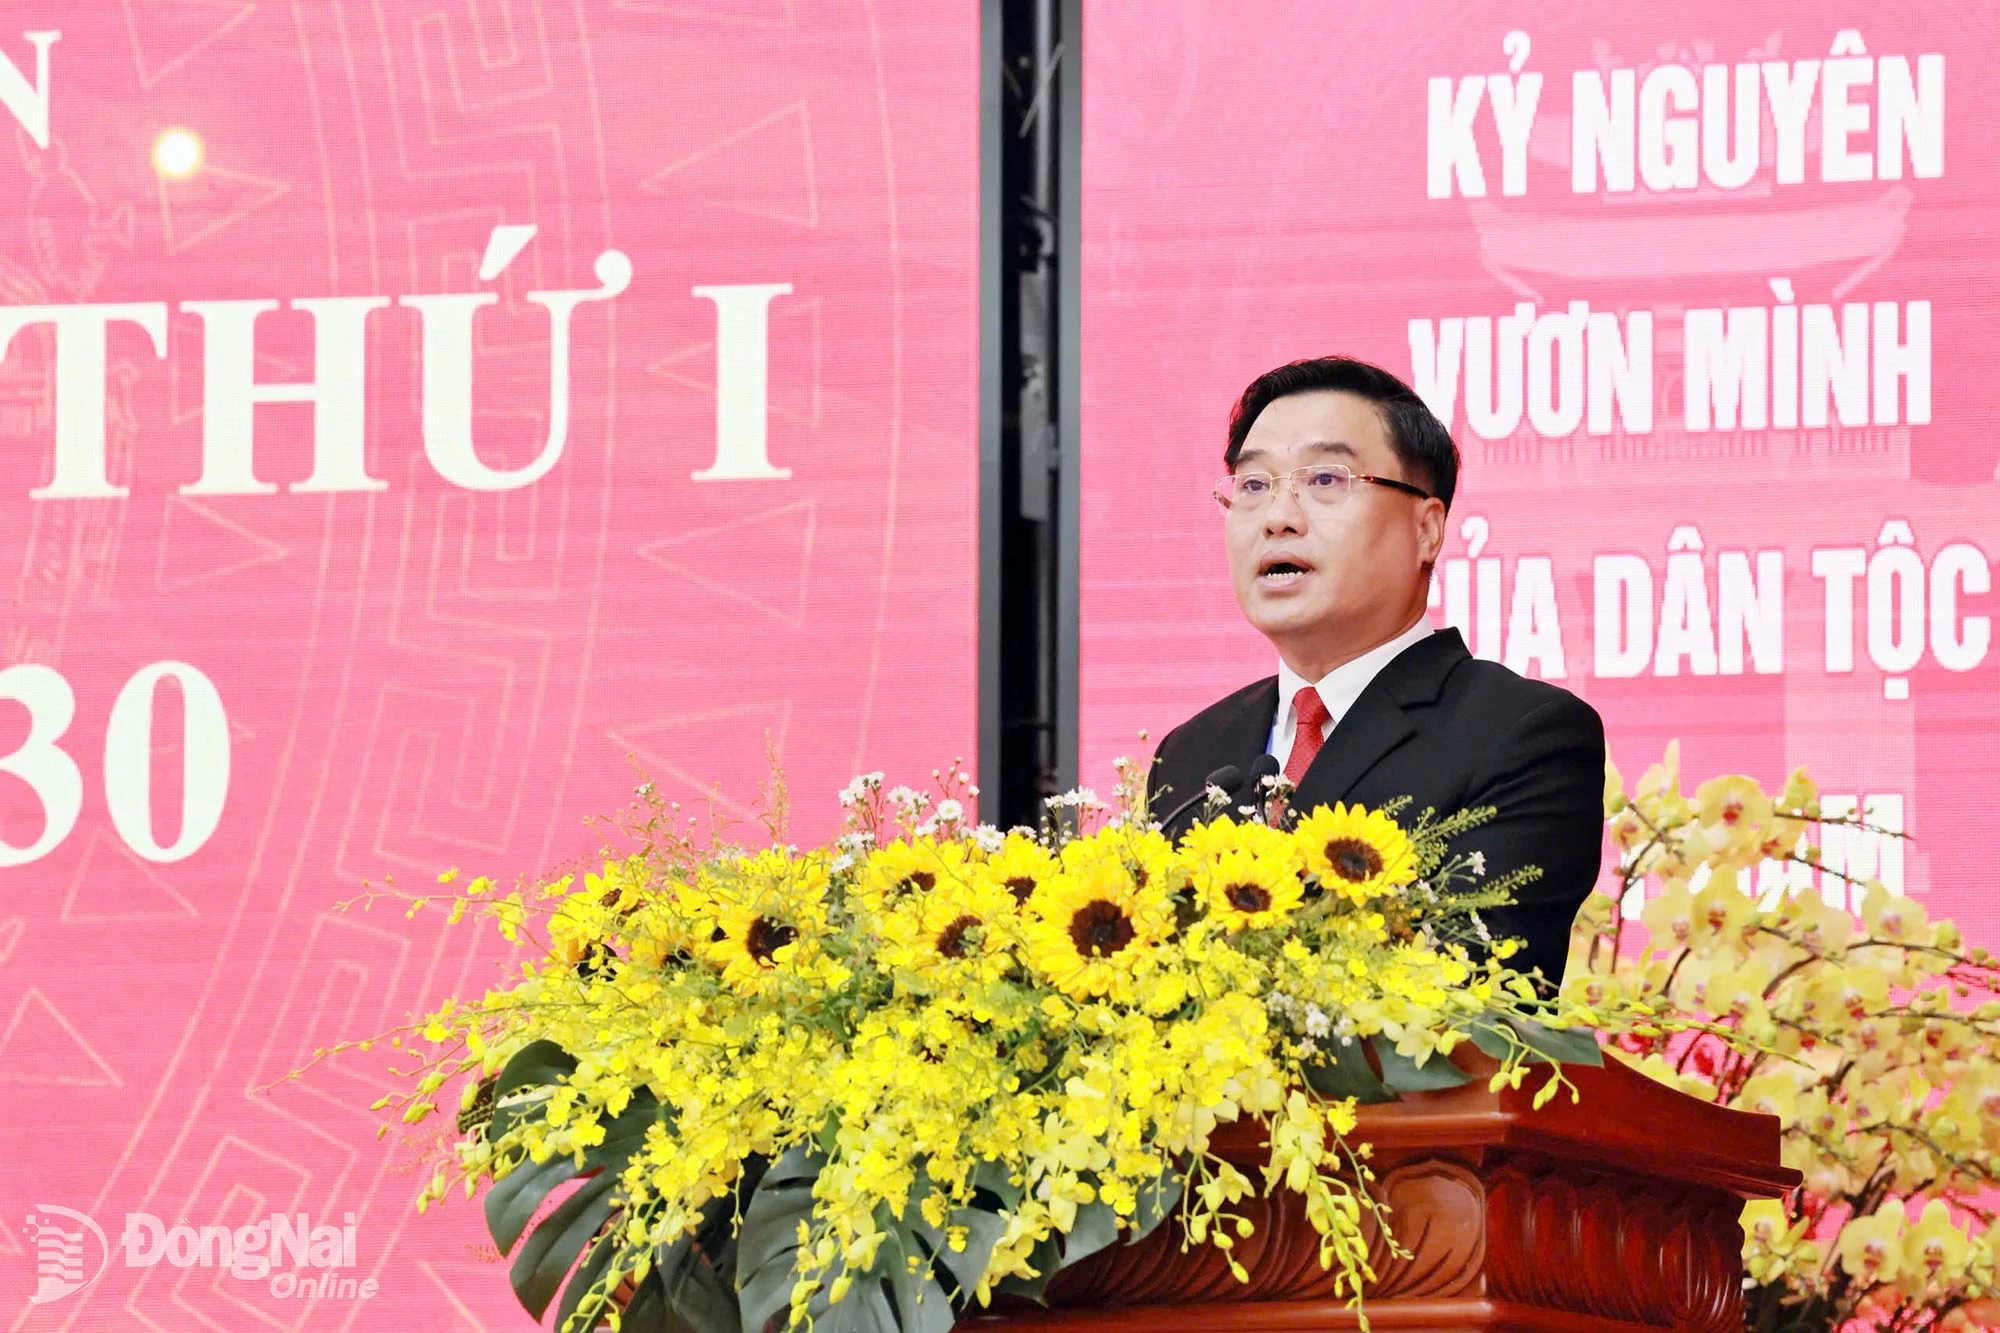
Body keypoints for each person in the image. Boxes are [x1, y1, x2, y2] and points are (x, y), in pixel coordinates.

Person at [1146, 356, 1605, 990]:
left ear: (1427, 529)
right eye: (1253, 486)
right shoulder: (1193, 753)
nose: (1278, 515)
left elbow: (1468, 1004)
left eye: (1326, 479)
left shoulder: (1524, 736)